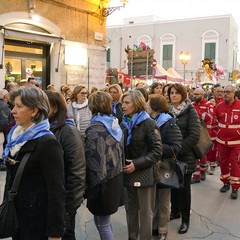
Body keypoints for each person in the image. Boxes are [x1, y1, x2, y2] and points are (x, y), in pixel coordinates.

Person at [2, 87, 66, 239]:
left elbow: (57, 191)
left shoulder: (47, 142)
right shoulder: (15, 137)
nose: (13, 111)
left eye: (19, 106)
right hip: (18, 218)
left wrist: (54, 233)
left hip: (37, 224)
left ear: (34, 111)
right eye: (13, 106)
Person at [121, 90, 162, 240]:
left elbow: (157, 151)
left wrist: (136, 164)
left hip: (145, 174)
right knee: (130, 210)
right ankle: (132, 237)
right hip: (127, 173)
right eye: (123, 103)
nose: (123, 106)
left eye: (127, 103)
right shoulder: (124, 122)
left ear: (137, 104)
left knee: (145, 213)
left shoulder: (148, 123)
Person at [45, 90, 86, 240]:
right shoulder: (46, 128)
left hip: (65, 202)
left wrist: (70, 206)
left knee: (66, 235)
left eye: (44, 106)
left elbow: (77, 171)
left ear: (55, 108)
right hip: (51, 201)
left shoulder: (68, 131)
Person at [85, 91, 124, 240]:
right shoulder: (113, 122)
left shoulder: (96, 127)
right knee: (104, 221)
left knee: (103, 223)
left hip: (102, 181)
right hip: (115, 176)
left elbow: (94, 160)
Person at [147, 94, 182, 240]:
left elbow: (176, 147)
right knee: (153, 200)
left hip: (164, 166)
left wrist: (156, 148)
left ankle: (162, 230)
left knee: (163, 200)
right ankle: (154, 227)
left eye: (148, 103)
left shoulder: (169, 123)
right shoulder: (149, 121)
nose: (146, 105)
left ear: (154, 107)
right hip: (151, 165)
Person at [168, 83, 200, 234]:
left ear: (183, 94)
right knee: (172, 185)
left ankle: (185, 220)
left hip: (185, 155)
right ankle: (175, 211)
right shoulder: (167, 110)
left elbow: (194, 134)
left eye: (176, 93)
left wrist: (178, 150)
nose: (173, 95)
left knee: (184, 188)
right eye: (171, 92)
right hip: (170, 156)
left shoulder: (190, 111)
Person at [215, 85, 240, 199]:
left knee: (235, 164)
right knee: (223, 162)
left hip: (236, 143)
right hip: (222, 141)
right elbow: (215, 121)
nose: (225, 94)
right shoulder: (219, 106)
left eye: (228, 92)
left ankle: (235, 187)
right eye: (225, 92)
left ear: (234, 93)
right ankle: (226, 183)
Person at [191, 88, 214, 183]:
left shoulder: (209, 104)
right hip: (194, 132)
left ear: (202, 95)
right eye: (194, 94)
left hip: (205, 133)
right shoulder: (192, 105)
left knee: (203, 154)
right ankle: (196, 176)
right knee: (195, 154)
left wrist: (198, 114)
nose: (194, 96)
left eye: (197, 94)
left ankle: (203, 171)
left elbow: (210, 116)